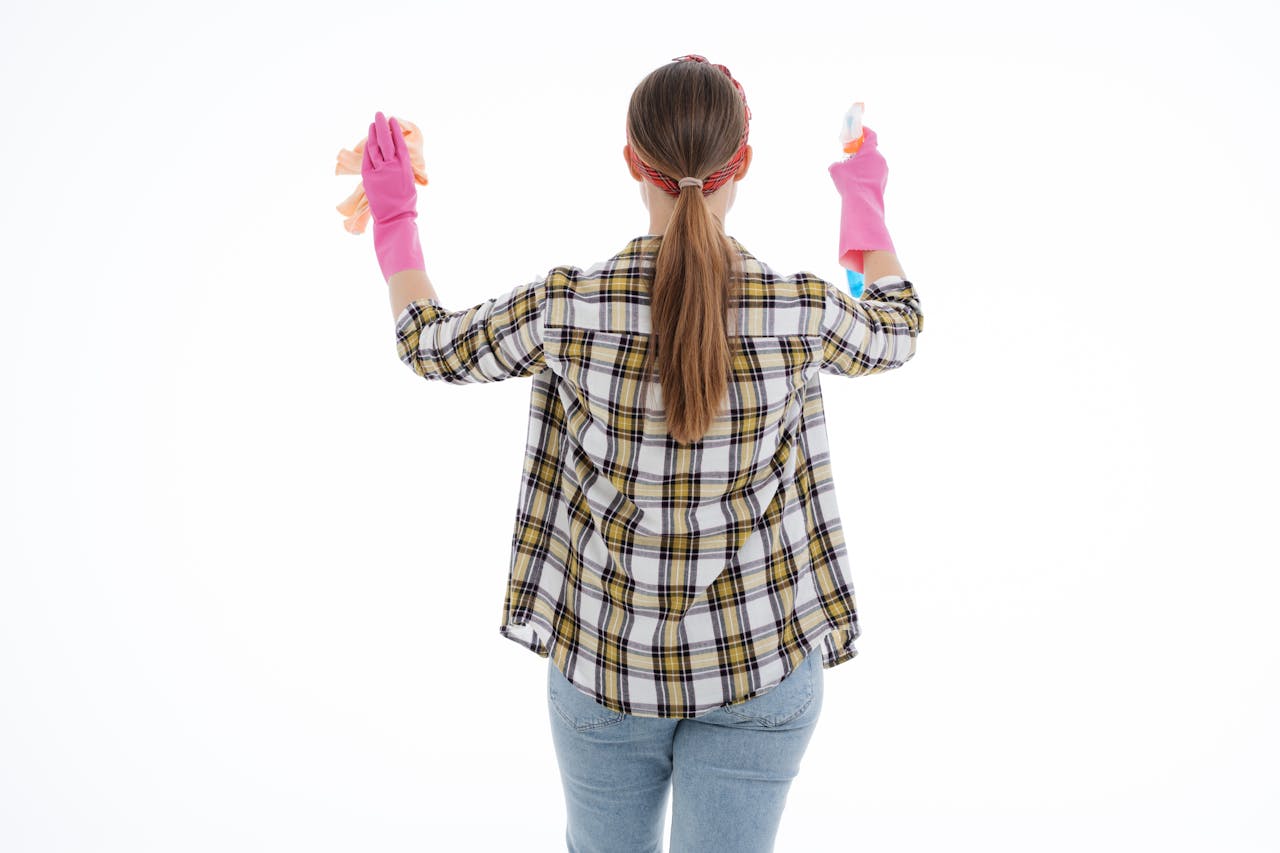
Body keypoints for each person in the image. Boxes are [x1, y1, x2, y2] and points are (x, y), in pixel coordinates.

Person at [360, 54, 923, 853]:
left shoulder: (567, 307)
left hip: (604, 672)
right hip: (761, 667)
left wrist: (395, 216)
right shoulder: (800, 311)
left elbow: (431, 346)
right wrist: (862, 196)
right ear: (745, 166)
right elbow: (898, 326)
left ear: (632, 162)